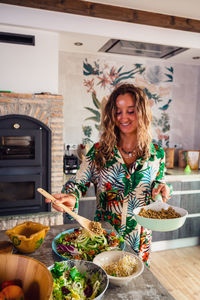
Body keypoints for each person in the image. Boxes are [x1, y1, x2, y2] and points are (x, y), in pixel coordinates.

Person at [45, 83, 172, 267]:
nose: (124, 118)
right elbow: (78, 183)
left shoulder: (157, 154)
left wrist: (163, 190)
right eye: (118, 112)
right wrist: (71, 197)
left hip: (140, 242)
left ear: (142, 113)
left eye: (131, 111)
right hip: (104, 239)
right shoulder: (98, 152)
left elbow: (159, 188)